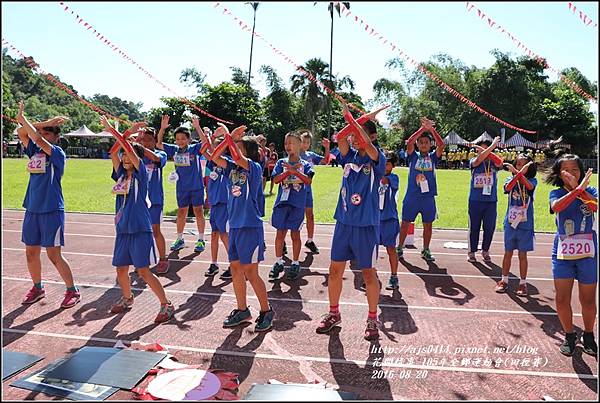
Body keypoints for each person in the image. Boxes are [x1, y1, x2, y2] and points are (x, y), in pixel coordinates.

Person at [316, 105, 385, 341]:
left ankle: (373, 319)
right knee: (334, 271)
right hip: (344, 223)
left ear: (373, 136)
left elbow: (368, 146)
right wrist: (355, 119)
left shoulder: (378, 158)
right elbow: (340, 137)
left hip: (366, 225)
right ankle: (334, 314)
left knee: (368, 274)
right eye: (354, 134)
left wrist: (359, 122)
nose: (354, 138)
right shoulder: (348, 156)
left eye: (360, 134)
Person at [102, 116, 174, 323]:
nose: (125, 159)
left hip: (140, 228)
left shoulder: (142, 174)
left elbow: (132, 152)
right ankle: (127, 298)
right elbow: (113, 152)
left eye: (128, 156)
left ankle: (165, 304)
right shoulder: (120, 175)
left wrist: (122, 134)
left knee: (143, 271)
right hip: (123, 229)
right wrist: (119, 135)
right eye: (123, 156)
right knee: (121, 269)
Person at [15, 101, 81, 308]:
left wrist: (35, 127)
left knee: (53, 255)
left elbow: (31, 133)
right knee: (31, 252)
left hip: (51, 209)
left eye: (50, 131)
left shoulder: (57, 154)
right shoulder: (34, 150)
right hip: (32, 208)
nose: (44, 133)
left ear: (57, 137)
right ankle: (37, 287)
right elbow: (21, 131)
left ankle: (72, 290)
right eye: (43, 131)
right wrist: (44, 123)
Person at [210, 124, 274, 332]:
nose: (233, 149)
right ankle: (242, 309)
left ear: (248, 151)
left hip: (250, 227)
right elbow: (214, 157)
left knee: (251, 272)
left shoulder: (253, 168)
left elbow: (237, 157)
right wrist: (227, 138)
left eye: (239, 146)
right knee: (236, 269)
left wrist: (229, 136)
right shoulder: (231, 168)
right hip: (235, 226)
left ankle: (266, 311)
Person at [546, 154, 597, 356]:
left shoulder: (591, 191)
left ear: (582, 171)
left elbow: (595, 205)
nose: (571, 173)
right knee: (561, 299)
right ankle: (569, 335)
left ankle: (589, 334)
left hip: (589, 251)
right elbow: (557, 207)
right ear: (559, 174)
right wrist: (576, 188)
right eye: (566, 170)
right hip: (563, 251)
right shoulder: (555, 193)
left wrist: (581, 189)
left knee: (588, 300)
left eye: (575, 169)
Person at [396, 117, 445, 261]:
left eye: (426, 142)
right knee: (405, 224)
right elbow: (409, 142)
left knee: (428, 226)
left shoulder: (433, 157)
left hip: (428, 197)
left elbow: (441, 145)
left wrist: (432, 130)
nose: (423, 145)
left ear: (430, 145)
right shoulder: (413, 156)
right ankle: (399, 247)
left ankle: (426, 249)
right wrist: (423, 129)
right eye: (421, 142)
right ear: (418, 144)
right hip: (412, 196)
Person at [157, 115, 207, 253]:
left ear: (189, 139)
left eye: (183, 138)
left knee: (198, 212)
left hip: (196, 186)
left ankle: (201, 240)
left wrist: (197, 127)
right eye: (178, 139)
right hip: (182, 188)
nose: (180, 141)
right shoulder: (173, 149)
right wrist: (162, 129)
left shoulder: (194, 149)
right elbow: (159, 144)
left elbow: (205, 142)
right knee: (181, 212)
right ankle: (180, 238)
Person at [269, 131, 314, 281]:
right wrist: (288, 171)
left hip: (297, 204)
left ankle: (295, 262)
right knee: (280, 233)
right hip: (282, 203)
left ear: (300, 145)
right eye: (286, 143)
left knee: (295, 234)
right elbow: (275, 180)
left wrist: (295, 171)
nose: (288, 146)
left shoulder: (305, 164)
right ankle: (278, 261)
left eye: (291, 143)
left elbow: (308, 180)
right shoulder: (281, 162)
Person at [495, 155, 536, 295]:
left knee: (522, 255)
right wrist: (516, 174)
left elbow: (530, 187)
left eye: (523, 165)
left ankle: (523, 283)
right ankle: (504, 280)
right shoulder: (509, 179)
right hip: (511, 222)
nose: (519, 166)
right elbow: (508, 187)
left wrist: (519, 173)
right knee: (508, 252)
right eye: (517, 164)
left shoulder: (532, 180)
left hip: (525, 223)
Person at [361, 151, 400, 291]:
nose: (384, 167)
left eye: (387, 164)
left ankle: (394, 276)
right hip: (374, 219)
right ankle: (371, 276)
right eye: (383, 165)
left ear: (393, 166)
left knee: (391, 249)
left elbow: (384, 180)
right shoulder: (373, 178)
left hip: (389, 219)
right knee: (372, 250)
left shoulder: (394, 178)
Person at [135, 125, 169, 274]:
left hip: (155, 200)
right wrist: (136, 142)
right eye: (143, 140)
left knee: (155, 230)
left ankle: (163, 259)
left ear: (155, 141)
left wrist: (139, 147)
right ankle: (143, 262)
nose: (146, 143)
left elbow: (155, 158)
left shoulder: (161, 154)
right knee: (141, 232)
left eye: (149, 140)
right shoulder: (136, 156)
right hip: (139, 200)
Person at [467, 138, 503, 263]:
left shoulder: (494, 163)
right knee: (474, 227)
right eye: (480, 149)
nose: (483, 152)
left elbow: (499, 163)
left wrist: (490, 149)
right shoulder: (473, 161)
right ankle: (472, 251)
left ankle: (485, 250)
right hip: (475, 200)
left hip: (491, 201)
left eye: (485, 149)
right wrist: (490, 147)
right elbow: (477, 161)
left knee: (489, 227)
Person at [204, 130, 232, 281]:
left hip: (224, 202)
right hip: (214, 202)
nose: (213, 150)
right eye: (214, 147)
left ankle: (233, 264)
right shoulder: (210, 162)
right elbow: (208, 177)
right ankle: (214, 263)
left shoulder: (228, 161)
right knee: (214, 234)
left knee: (224, 234)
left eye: (217, 147)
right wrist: (207, 196)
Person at [299, 130, 330, 254]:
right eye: (303, 141)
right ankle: (284, 240)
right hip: (294, 190)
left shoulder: (311, 155)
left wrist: (327, 148)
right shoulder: (293, 154)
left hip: (307, 189)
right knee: (293, 217)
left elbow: (325, 161)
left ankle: (310, 240)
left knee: (310, 216)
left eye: (308, 142)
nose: (305, 144)